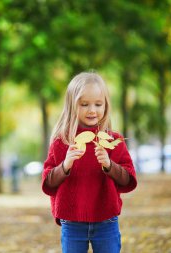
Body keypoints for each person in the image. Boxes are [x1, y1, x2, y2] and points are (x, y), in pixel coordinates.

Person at [42, 72, 137, 253]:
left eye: (98, 104)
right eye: (84, 104)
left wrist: (109, 165)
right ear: (72, 106)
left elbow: (128, 179)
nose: (92, 110)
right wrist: (65, 166)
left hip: (106, 220)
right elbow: (48, 182)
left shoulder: (112, 141)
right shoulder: (62, 142)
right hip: (72, 222)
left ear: (106, 105)